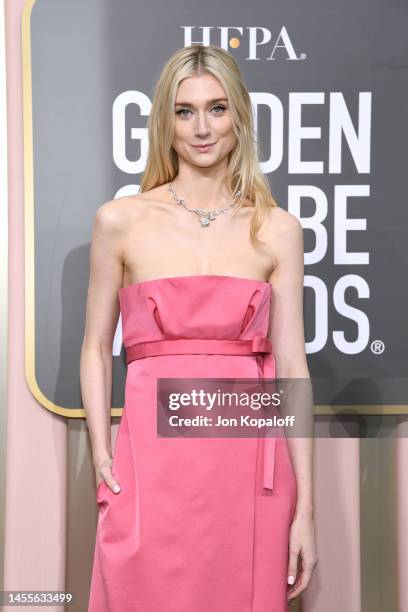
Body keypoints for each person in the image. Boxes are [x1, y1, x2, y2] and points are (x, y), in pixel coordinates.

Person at [81, 44, 317, 612]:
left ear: (239, 116)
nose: (202, 128)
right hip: (152, 462)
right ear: (165, 120)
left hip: (248, 466)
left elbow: (292, 365)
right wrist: (102, 452)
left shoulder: (278, 229)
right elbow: (94, 348)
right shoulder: (122, 221)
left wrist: (306, 503)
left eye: (217, 108)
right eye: (185, 111)